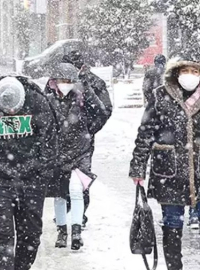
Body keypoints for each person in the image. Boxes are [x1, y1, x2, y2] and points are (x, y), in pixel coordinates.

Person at [129, 50, 200, 270]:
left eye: (194, 70)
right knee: (172, 221)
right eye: (185, 70)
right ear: (176, 73)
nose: (189, 75)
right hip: (169, 170)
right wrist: (138, 165)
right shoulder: (160, 96)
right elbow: (145, 132)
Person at [0, 76, 57, 270]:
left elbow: (49, 140)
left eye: (16, 109)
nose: (12, 112)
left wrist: (42, 173)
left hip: (31, 180)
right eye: (8, 110)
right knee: (2, 237)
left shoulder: (37, 102)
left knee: (30, 235)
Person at [45, 63, 109, 250]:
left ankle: (76, 231)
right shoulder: (48, 100)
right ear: (54, 82)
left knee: (76, 190)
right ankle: (62, 230)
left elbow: (101, 113)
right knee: (59, 194)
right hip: (57, 153)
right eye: (61, 81)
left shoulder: (83, 97)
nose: (64, 84)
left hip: (80, 151)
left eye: (68, 81)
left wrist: (88, 131)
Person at [61, 51, 113, 227]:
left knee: (81, 176)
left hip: (83, 139)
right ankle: (65, 210)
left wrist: (89, 129)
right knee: (61, 177)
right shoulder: (56, 81)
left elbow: (104, 110)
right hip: (61, 139)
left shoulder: (94, 82)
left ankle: (80, 213)